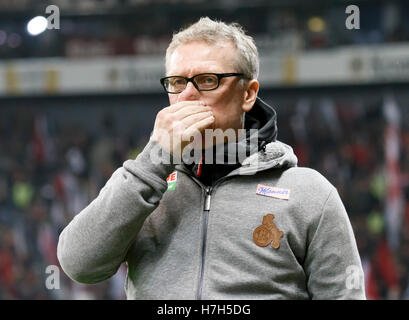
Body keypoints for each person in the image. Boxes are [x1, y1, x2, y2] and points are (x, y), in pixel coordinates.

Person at [57, 17, 366, 300]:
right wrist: (154, 159)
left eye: (207, 80)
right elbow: (79, 265)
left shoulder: (309, 193)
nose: (187, 95)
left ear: (248, 94)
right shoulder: (143, 186)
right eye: (177, 82)